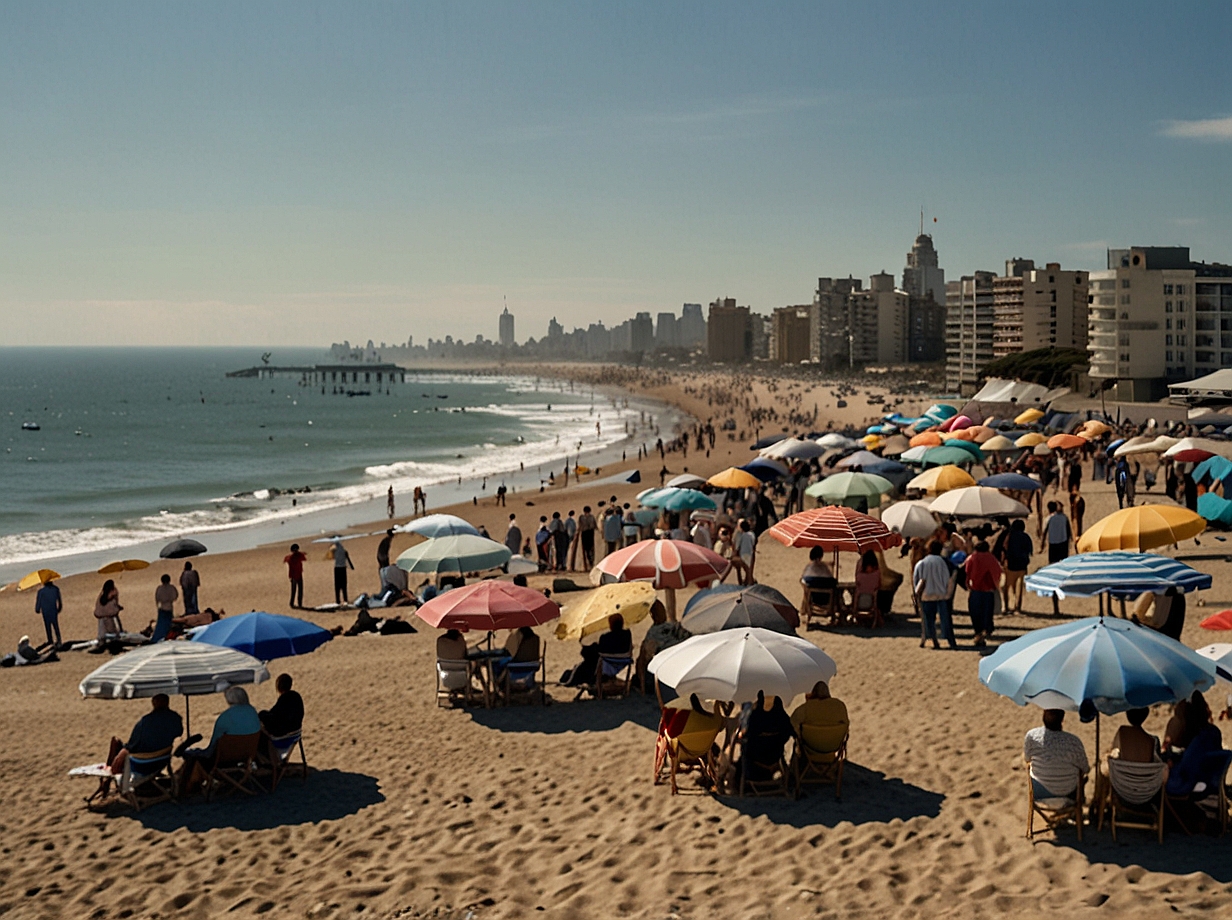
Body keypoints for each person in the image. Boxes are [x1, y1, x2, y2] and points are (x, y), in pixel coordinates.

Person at [177, 686, 262, 796]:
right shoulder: (253, 713)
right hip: (245, 757)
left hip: (223, 760)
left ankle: (184, 791)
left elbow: (212, 747)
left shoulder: (225, 717)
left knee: (193, 759)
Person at [100, 694, 183, 797]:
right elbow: (179, 733)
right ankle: (107, 781)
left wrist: (123, 752)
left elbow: (132, 745)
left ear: (154, 703)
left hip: (141, 764)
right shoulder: (175, 718)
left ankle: (107, 781)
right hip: (162, 760)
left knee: (115, 741)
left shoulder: (146, 721)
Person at [1166, 693, 1225, 797]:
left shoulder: (1198, 741)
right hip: (1210, 781)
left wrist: (1170, 767)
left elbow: (1185, 771)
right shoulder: (1213, 732)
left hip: (1191, 785)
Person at [1022, 709, 1089, 799]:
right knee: (1081, 776)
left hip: (1040, 792)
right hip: (1068, 792)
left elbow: (1027, 759)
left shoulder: (1031, 736)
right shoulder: (1073, 741)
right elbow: (1085, 768)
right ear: (1062, 719)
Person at [563, 613, 632, 688]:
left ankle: (579, 679)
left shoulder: (606, 637)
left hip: (607, 662)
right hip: (623, 661)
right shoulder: (627, 634)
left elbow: (602, 651)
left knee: (589, 657)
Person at [913, 540, 956, 650]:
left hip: (926, 595)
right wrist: (948, 593)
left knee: (928, 619)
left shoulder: (922, 563)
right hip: (942, 595)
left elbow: (916, 580)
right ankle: (950, 640)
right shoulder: (944, 562)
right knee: (945, 619)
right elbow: (951, 576)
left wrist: (917, 594)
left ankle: (931, 639)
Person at [636, 601, 690, 687]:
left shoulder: (655, 632)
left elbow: (648, 654)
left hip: (662, 663)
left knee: (642, 657)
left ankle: (642, 686)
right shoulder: (674, 627)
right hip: (678, 658)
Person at [964, 541, 1002, 647]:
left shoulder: (972, 557)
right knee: (987, 614)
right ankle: (983, 634)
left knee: (975, 614)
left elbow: (967, 572)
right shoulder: (991, 558)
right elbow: (998, 572)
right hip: (988, 592)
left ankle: (978, 634)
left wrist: (968, 584)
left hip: (975, 591)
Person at [259, 674, 305, 738]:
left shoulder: (285, 698)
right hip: (296, 727)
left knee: (262, 715)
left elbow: (275, 713)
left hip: (285, 730)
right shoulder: (296, 696)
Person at [1003, 519, 1033, 614]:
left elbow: (1004, 548)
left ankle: (1007, 607)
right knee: (1019, 589)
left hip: (1010, 565)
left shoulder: (1009, 536)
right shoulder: (1026, 537)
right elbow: (1030, 551)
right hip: (1022, 566)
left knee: (1008, 587)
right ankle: (1017, 608)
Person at [854, 551, 882, 626]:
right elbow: (879, 585)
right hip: (872, 602)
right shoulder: (877, 574)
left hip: (858, 602)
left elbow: (856, 581)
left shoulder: (860, 575)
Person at [34, 577, 62, 648]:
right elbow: (59, 600)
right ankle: (59, 640)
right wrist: (59, 608)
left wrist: (37, 609)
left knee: (47, 626)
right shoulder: (56, 589)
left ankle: (50, 640)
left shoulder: (41, 591)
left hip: (45, 610)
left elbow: (38, 601)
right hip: (53, 610)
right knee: (55, 625)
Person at [152, 574, 178, 643]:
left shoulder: (159, 588)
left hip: (162, 607)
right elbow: (175, 596)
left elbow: (157, 598)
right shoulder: (171, 588)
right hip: (169, 607)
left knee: (161, 624)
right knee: (168, 624)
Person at [734, 519, 757, 585]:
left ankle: (748, 582)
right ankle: (749, 581)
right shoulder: (752, 534)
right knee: (749, 569)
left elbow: (738, 546)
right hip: (750, 554)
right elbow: (753, 543)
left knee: (746, 569)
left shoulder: (741, 535)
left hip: (743, 554)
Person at [332, 538, 354, 604]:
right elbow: (348, 559)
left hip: (337, 568)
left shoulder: (334, 551)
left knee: (337, 585)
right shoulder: (344, 551)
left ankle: (338, 600)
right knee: (344, 585)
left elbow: (333, 557)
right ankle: (345, 599)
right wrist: (351, 566)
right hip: (343, 568)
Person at [284, 543, 307, 609]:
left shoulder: (289, 558)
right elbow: (304, 559)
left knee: (293, 590)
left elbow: (286, 560)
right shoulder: (299, 556)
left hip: (293, 575)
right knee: (300, 590)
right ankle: (299, 603)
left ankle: (292, 603)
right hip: (298, 574)